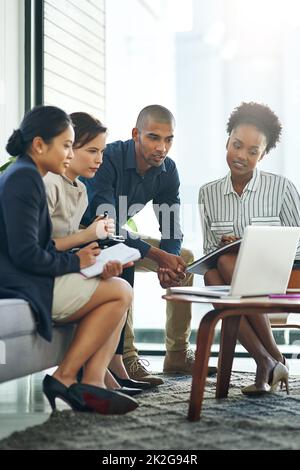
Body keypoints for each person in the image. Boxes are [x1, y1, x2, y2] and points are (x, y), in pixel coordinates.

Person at [0, 105, 138, 414]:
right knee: (120, 291)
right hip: (24, 284)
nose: (68, 153)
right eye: (65, 145)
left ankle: (89, 381)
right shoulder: (26, 179)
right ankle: (71, 379)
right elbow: (26, 254)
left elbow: (37, 248)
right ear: (39, 145)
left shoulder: (27, 175)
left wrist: (89, 263)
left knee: (115, 286)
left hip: (33, 277)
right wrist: (78, 263)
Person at [81, 105, 217, 384]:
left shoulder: (167, 171)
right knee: (125, 254)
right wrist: (157, 255)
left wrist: (170, 260)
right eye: (154, 137)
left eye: (168, 140)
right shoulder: (108, 160)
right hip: (86, 234)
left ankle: (177, 354)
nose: (162, 148)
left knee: (186, 257)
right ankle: (127, 358)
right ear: (136, 134)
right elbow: (106, 224)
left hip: (120, 236)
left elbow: (171, 226)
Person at [44, 111, 151, 393]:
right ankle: (82, 377)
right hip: (43, 279)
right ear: (68, 148)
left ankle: (96, 378)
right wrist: (88, 236)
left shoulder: (79, 189)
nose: (99, 159)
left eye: (102, 151)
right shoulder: (49, 184)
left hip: (61, 271)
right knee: (120, 291)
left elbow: (70, 246)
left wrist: (95, 262)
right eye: (91, 151)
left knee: (116, 283)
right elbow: (38, 247)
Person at [198, 101, 299, 395]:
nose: (241, 156)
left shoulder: (282, 188)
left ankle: (271, 358)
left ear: (263, 154)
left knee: (228, 266)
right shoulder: (208, 193)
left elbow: (299, 242)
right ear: (227, 140)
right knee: (213, 275)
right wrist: (221, 247)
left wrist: (260, 253)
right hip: (233, 279)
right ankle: (268, 360)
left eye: (252, 152)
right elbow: (208, 250)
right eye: (236, 145)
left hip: (282, 278)